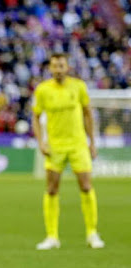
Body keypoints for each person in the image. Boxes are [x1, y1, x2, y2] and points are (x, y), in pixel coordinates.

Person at [31, 53, 104, 250]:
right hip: (55, 146)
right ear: (50, 68)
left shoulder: (78, 86)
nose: (58, 69)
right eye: (54, 66)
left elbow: (88, 114)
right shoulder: (43, 90)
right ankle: (52, 236)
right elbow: (36, 117)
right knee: (52, 188)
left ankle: (92, 233)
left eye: (61, 65)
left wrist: (92, 142)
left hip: (78, 144)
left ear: (67, 67)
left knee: (86, 186)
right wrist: (41, 142)